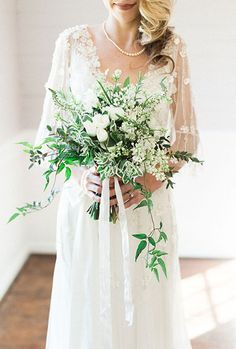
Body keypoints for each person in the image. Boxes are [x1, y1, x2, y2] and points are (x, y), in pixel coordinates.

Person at [34, 1, 199, 348]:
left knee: (145, 311)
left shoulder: (171, 47)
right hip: (87, 213)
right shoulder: (72, 44)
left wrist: (146, 182)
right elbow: (49, 138)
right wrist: (81, 177)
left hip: (145, 215)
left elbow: (186, 137)